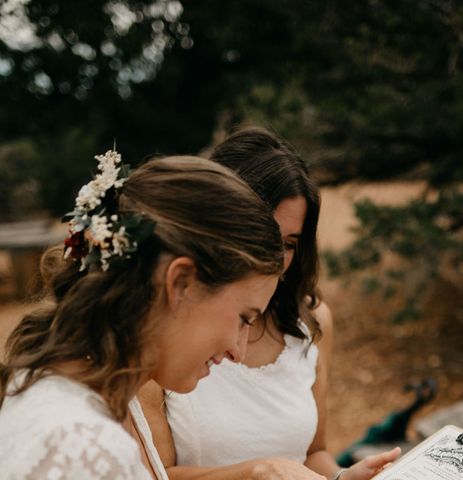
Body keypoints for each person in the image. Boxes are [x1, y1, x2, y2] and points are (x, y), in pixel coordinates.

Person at [0, 151, 286, 479]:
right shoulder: (77, 446)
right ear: (180, 283)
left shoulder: (115, 394)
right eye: (244, 318)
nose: (239, 350)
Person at [138, 128, 400, 480]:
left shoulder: (312, 321)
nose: (274, 260)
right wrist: (257, 472)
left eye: (290, 243)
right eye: (263, 237)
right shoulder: (164, 329)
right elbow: (154, 473)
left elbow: (312, 452)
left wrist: (341, 478)